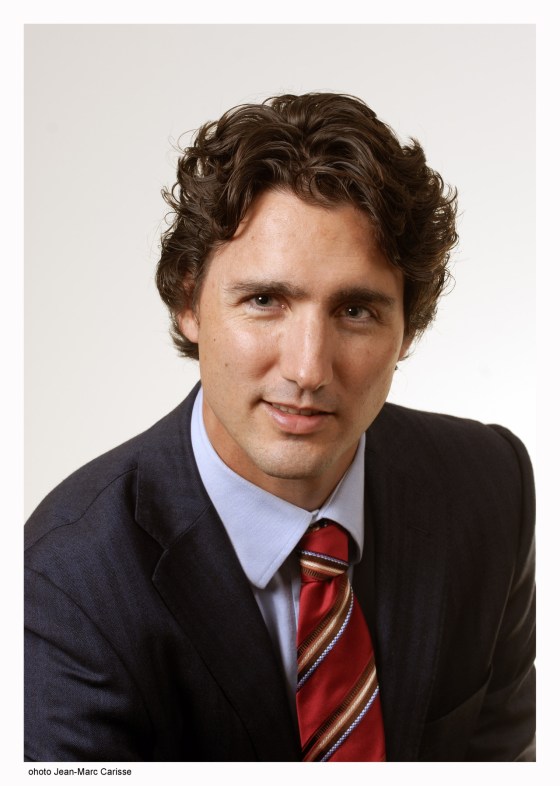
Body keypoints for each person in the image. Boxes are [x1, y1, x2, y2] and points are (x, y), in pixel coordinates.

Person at [24, 92, 535, 762]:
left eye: (356, 310)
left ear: (408, 327)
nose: (308, 369)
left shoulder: (490, 485)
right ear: (188, 303)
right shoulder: (66, 581)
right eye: (265, 300)